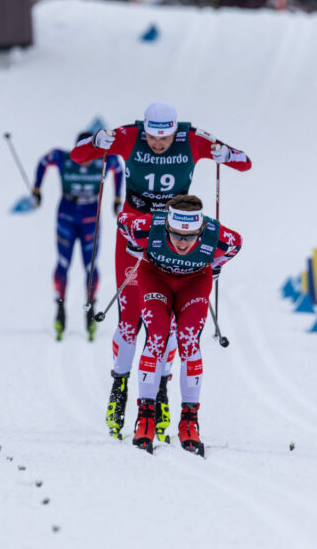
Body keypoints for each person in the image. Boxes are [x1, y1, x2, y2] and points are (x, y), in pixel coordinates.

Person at [71, 101, 251, 441]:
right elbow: (78, 157)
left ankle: (163, 388)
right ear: (144, 129)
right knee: (130, 317)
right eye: (152, 137)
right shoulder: (128, 136)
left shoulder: (192, 139)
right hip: (137, 233)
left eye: (164, 137)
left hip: (174, 235)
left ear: (174, 131)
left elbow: (245, 162)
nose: (157, 144)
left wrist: (224, 154)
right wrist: (98, 141)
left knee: (167, 322)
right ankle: (119, 385)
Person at [117, 195, 241, 456]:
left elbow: (236, 244)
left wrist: (216, 265)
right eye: (176, 236)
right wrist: (134, 247)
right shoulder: (149, 226)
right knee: (156, 336)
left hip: (194, 282)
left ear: (200, 229)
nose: (183, 243)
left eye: (191, 237)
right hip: (155, 278)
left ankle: (189, 421)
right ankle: (146, 418)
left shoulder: (216, 235)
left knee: (188, 340)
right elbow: (123, 221)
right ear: (167, 228)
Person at [32, 131, 123, 341]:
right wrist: (37, 188)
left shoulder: (105, 159)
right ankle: (60, 309)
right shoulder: (63, 158)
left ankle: (90, 310)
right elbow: (44, 160)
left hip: (91, 217)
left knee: (90, 266)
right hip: (66, 215)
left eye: (92, 155)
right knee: (63, 263)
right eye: (82, 155)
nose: (86, 161)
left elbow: (118, 166)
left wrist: (117, 198)